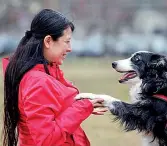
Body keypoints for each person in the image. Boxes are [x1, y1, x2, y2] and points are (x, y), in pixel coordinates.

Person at [2, 9, 107, 146]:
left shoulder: (47, 72)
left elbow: (55, 108)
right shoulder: (38, 82)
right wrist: (81, 108)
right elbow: (47, 139)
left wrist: (85, 105)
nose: (70, 48)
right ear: (48, 41)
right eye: (67, 41)